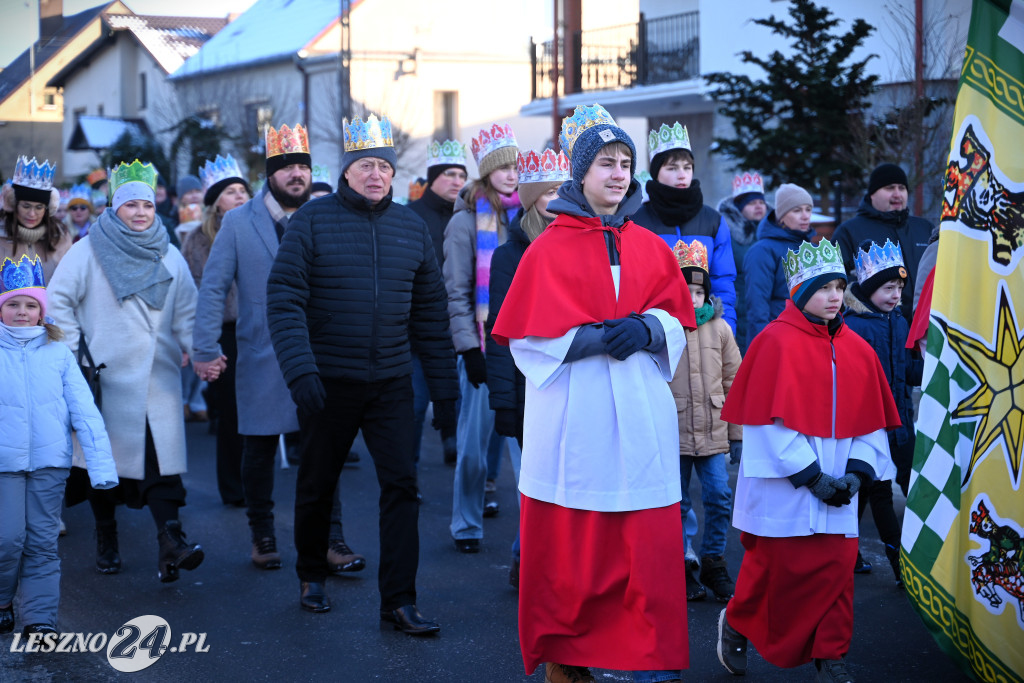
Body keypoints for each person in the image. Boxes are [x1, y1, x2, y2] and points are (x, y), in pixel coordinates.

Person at [492, 104, 695, 683]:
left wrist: (651, 327)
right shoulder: (547, 248)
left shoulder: (651, 245)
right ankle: (571, 656)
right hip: (577, 414)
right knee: (578, 551)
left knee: (641, 547)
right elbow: (528, 342)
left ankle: (645, 658)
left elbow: (681, 322)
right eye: (606, 162)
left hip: (638, 410)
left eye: (626, 163)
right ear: (580, 174)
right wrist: (593, 339)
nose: (618, 173)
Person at [266, 113, 458, 633]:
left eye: (384, 166)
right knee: (317, 483)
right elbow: (284, 301)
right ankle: (311, 574)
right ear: (347, 171)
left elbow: (431, 318)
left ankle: (399, 600)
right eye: (365, 165)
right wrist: (301, 372)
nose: (375, 175)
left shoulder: (410, 228)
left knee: (402, 486)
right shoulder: (311, 221)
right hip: (327, 380)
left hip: (392, 381)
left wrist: (445, 392)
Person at [715, 237, 900, 683]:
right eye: (823, 288)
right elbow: (764, 422)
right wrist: (811, 475)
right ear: (799, 293)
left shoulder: (858, 349)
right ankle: (737, 623)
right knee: (773, 572)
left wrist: (857, 474)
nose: (834, 296)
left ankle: (830, 656)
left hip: (840, 486)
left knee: (837, 573)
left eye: (839, 286)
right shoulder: (773, 342)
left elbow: (870, 424)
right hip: (786, 486)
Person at [194, 125, 363, 572]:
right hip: (262, 349)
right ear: (270, 174)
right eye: (286, 167)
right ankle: (262, 531)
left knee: (323, 449)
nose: (296, 174)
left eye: (303, 167)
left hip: (322, 352)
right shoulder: (238, 221)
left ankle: (333, 539)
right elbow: (213, 288)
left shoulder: (330, 213)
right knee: (260, 447)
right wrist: (204, 347)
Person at [48, 159, 204, 584]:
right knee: (103, 468)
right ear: (113, 210)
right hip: (105, 378)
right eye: (131, 205)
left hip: (159, 378)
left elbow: (187, 311)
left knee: (161, 466)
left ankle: (171, 542)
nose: (140, 212)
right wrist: (74, 356)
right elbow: (58, 303)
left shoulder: (169, 253)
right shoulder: (87, 250)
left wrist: (198, 350)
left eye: (148, 206)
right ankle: (106, 536)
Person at [0, 255, 118, 637]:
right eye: (12, 304)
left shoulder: (58, 355)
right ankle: (3, 599)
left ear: (41, 312)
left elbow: (86, 412)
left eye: (30, 305)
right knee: (7, 539)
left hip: (50, 463)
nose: (21, 312)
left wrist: (101, 467)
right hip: (3, 464)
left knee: (41, 541)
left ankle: (39, 620)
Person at [484, 146, 570, 589]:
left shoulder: (582, 242)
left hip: (573, 379)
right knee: (536, 482)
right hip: (526, 384)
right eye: (549, 191)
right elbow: (500, 331)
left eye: (564, 190)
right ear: (533, 196)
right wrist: (503, 399)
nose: (558, 199)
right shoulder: (510, 255)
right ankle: (527, 556)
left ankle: (562, 561)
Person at [443, 123, 520, 551]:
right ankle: (466, 524)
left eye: (514, 165)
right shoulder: (465, 222)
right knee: (473, 449)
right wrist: (469, 348)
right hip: (483, 343)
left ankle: (534, 539)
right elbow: (455, 289)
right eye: (502, 167)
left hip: (524, 345)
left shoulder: (530, 216)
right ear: (486, 173)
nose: (511, 173)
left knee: (527, 452)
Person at [843, 239, 922, 584]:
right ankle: (901, 569)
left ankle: (849, 553)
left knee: (866, 490)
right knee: (878, 492)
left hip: (898, 423)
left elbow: (904, 369)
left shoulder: (898, 321)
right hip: (867, 425)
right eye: (888, 287)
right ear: (870, 288)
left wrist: (934, 369)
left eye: (900, 288)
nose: (895, 295)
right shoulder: (854, 326)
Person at [669, 239, 742, 604]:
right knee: (677, 503)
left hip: (713, 431)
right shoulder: (663, 330)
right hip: (674, 433)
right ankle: (681, 564)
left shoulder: (721, 330)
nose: (693, 297)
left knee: (718, 496)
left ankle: (714, 561)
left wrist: (738, 434)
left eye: (699, 291)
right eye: (685, 289)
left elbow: (735, 382)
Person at [182, 155, 251, 508]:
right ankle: (232, 485)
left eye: (243, 190)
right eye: (231, 192)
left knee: (259, 408)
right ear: (215, 202)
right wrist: (199, 343)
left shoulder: (259, 230)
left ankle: (257, 480)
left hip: (256, 330)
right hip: (223, 333)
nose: (240, 196)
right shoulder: (198, 240)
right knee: (232, 413)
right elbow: (193, 292)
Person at [633, 122, 737, 333]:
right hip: (656, 329)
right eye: (672, 168)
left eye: (687, 167)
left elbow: (722, 280)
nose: (682, 175)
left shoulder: (713, 220)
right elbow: (633, 284)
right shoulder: (637, 221)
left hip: (706, 327)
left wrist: (726, 328)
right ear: (656, 172)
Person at [408, 139, 468, 467]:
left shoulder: (472, 216)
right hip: (417, 331)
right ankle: (408, 473)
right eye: (449, 173)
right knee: (415, 405)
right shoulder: (410, 215)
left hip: (457, 327)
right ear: (432, 178)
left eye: (461, 174)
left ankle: (455, 449)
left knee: (458, 401)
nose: (457, 181)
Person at [832, 163, 933, 321]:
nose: (897, 194)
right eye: (889, 188)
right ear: (872, 194)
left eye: (902, 188)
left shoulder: (924, 228)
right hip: (875, 331)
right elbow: (836, 284)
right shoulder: (849, 231)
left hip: (925, 330)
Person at [743, 183, 816, 347]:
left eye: (808, 209)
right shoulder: (762, 251)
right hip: (778, 337)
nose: (805, 216)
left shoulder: (813, 250)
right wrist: (764, 344)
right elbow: (757, 307)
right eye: (797, 210)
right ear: (781, 216)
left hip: (811, 337)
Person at [717, 172, 769, 350]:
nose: (758, 207)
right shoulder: (727, 233)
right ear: (739, 207)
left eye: (761, 202)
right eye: (752, 203)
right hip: (740, 305)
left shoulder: (771, 233)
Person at [2, 156, 73, 282]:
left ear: (47, 209)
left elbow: (71, 281)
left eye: (39, 207)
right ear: (14, 205)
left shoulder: (60, 237)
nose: (32, 214)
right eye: (26, 206)